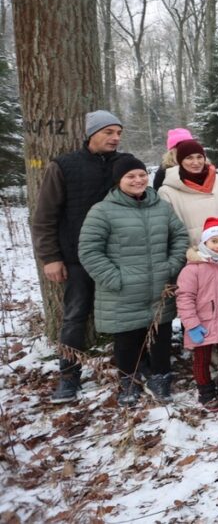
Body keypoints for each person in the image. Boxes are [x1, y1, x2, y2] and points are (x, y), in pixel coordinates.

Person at [77, 156, 189, 407]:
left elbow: (180, 236)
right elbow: (89, 251)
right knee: (127, 339)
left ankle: (161, 376)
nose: (138, 180)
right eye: (130, 176)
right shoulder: (102, 211)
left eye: (141, 175)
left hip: (159, 286)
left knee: (160, 336)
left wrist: (171, 266)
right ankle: (129, 380)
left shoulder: (160, 206)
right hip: (123, 290)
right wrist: (115, 279)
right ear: (119, 181)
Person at [31, 110, 126, 403]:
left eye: (119, 133)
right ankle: (69, 376)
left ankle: (133, 367)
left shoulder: (123, 164)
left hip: (118, 256)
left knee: (125, 313)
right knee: (75, 316)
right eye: (109, 132)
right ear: (91, 134)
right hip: (76, 257)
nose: (115, 138)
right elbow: (45, 217)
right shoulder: (64, 166)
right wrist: (50, 257)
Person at [176, 217, 218, 412]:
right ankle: (206, 391)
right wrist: (192, 325)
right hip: (202, 323)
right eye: (215, 242)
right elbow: (184, 298)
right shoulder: (193, 268)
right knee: (202, 358)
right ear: (205, 242)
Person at [157, 139, 218, 245]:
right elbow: (171, 228)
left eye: (199, 157)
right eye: (189, 158)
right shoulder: (167, 191)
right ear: (180, 160)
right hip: (189, 253)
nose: (196, 162)